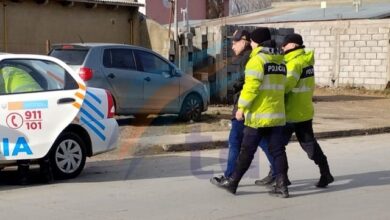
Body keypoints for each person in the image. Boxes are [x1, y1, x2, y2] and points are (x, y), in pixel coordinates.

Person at [217, 27, 290, 198]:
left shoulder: (257, 60)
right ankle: (282, 186)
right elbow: (283, 87)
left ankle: (233, 182)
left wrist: (241, 107)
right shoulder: (280, 61)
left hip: (258, 114)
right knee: (278, 151)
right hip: (277, 114)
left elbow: (251, 88)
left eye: (252, 41)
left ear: (256, 42)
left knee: (246, 151)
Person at [209, 29, 275, 185]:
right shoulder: (259, 57)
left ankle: (230, 177)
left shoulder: (248, 59)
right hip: (256, 107)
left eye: (234, 42)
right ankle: (278, 172)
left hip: (244, 107)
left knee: (235, 140)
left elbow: (246, 84)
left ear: (245, 41)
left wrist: (241, 107)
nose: (232, 46)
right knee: (263, 141)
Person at [277, 33, 334, 187]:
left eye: (285, 44)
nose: (282, 47)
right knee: (309, 144)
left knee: (277, 146)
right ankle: (325, 172)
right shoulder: (306, 61)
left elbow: (287, 86)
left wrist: (273, 90)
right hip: (304, 110)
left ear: (293, 45)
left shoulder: (294, 64)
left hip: (291, 112)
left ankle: (280, 177)